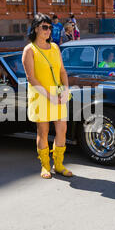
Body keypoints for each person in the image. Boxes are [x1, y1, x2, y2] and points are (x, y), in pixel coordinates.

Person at [22, 13, 72, 179]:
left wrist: (65, 89)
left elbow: (62, 71)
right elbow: (31, 78)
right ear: (36, 28)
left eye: (50, 27)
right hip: (41, 95)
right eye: (44, 27)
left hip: (57, 94)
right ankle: (45, 166)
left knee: (62, 130)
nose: (48, 30)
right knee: (43, 132)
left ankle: (58, 164)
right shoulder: (29, 50)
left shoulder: (55, 47)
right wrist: (49, 96)